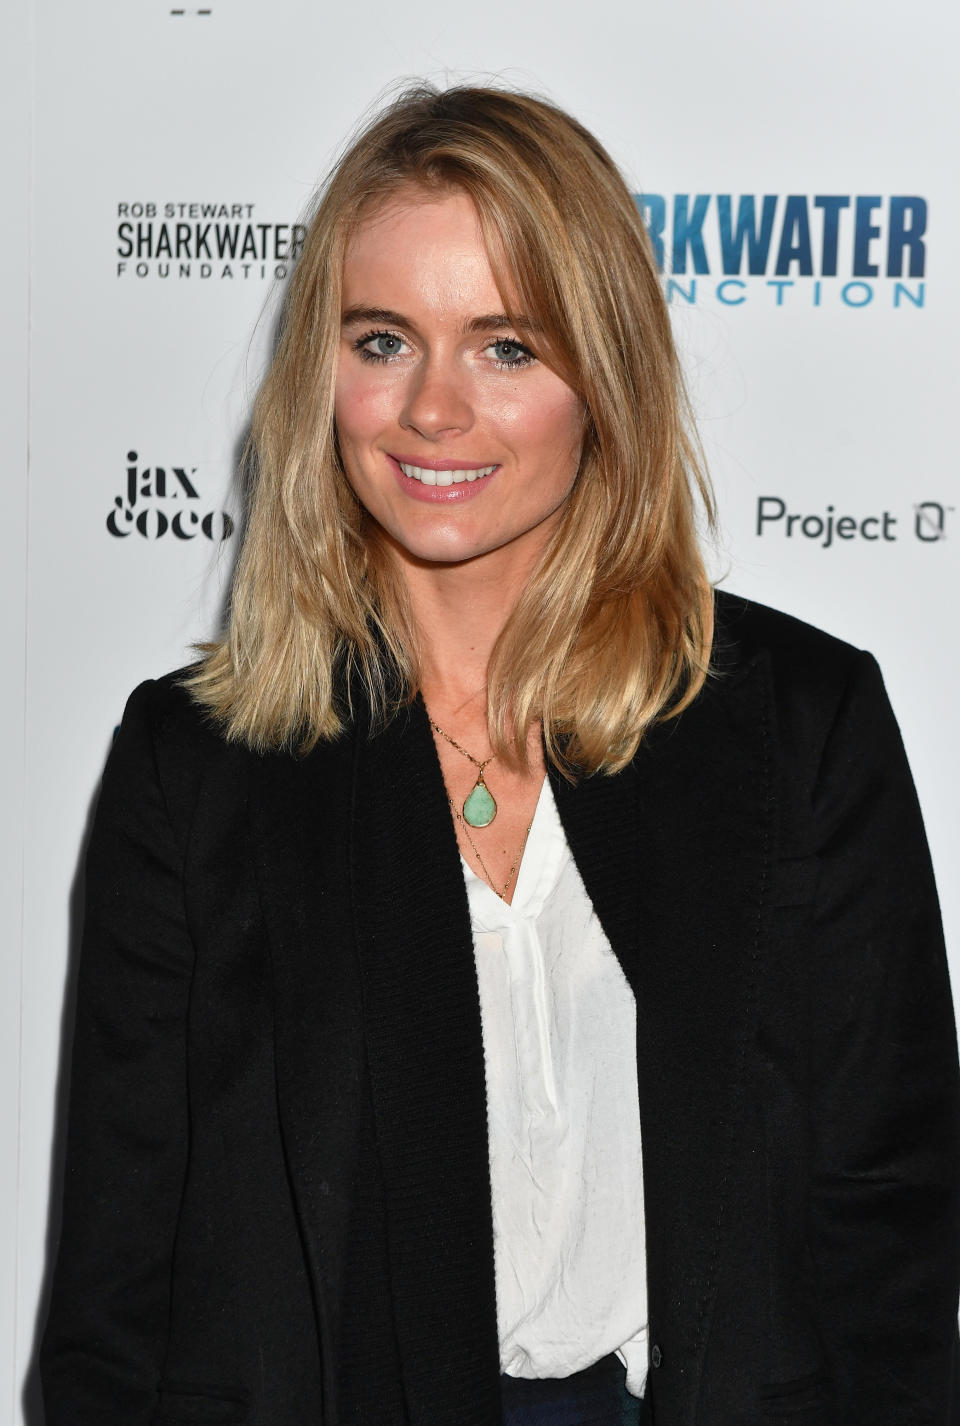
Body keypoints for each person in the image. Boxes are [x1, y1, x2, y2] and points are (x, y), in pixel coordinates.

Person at [40, 85, 960, 1426]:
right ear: (323, 370)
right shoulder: (195, 769)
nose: (429, 409)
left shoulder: (798, 727)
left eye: (506, 347)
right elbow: (119, 1306)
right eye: (382, 339)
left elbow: (888, 1230)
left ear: (605, 373)